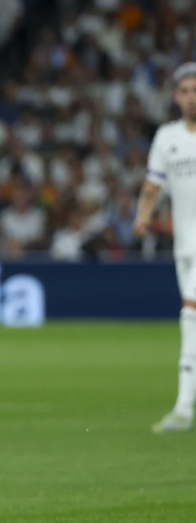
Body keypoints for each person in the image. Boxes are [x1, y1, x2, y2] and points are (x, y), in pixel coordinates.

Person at [135, 62, 196, 434]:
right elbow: (153, 185)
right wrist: (143, 215)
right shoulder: (167, 137)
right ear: (176, 97)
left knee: (190, 316)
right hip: (185, 246)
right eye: (186, 91)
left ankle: (183, 407)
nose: (192, 97)